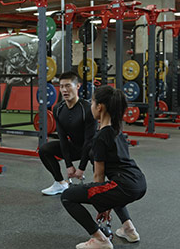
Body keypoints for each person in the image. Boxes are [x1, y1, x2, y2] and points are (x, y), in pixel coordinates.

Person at [60, 85, 147, 249]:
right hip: (139, 181)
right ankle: (129, 229)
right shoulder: (117, 130)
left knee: (67, 196)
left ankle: (99, 239)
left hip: (125, 185)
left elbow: (98, 178)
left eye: (92, 103)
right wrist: (105, 203)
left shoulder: (100, 137)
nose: (91, 106)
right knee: (112, 189)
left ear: (99, 107)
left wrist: (101, 206)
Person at [39, 71, 97, 195]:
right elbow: (62, 138)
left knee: (94, 153)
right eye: (61, 86)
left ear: (77, 86)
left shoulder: (87, 109)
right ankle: (60, 183)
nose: (64, 90)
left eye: (68, 86)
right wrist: (69, 165)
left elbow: (89, 140)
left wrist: (81, 168)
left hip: (91, 147)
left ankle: (98, 186)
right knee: (44, 149)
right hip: (75, 146)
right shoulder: (58, 109)